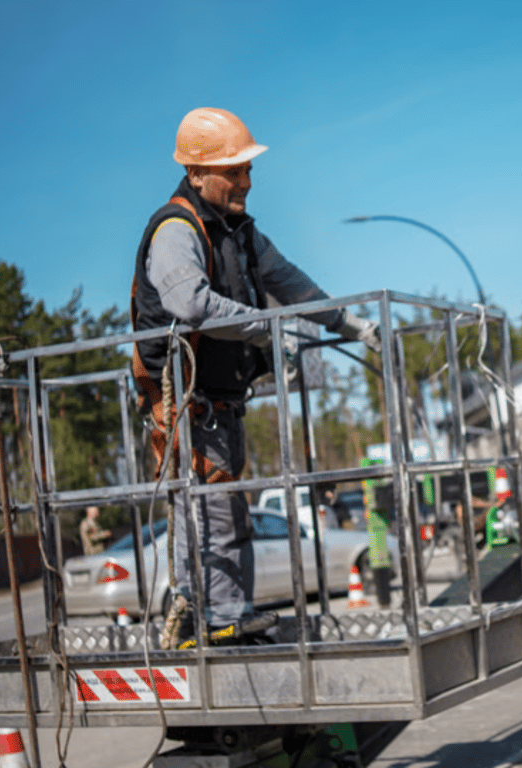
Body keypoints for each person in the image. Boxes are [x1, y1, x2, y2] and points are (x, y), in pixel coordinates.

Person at [131, 107, 378, 641]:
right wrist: (266, 329)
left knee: (226, 513)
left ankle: (221, 617)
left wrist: (348, 322)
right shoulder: (178, 229)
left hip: (221, 400)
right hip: (185, 403)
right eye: (232, 170)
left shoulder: (238, 232)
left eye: (246, 169)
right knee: (211, 513)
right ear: (197, 174)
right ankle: (213, 618)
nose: (246, 180)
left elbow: (290, 283)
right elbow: (191, 304)